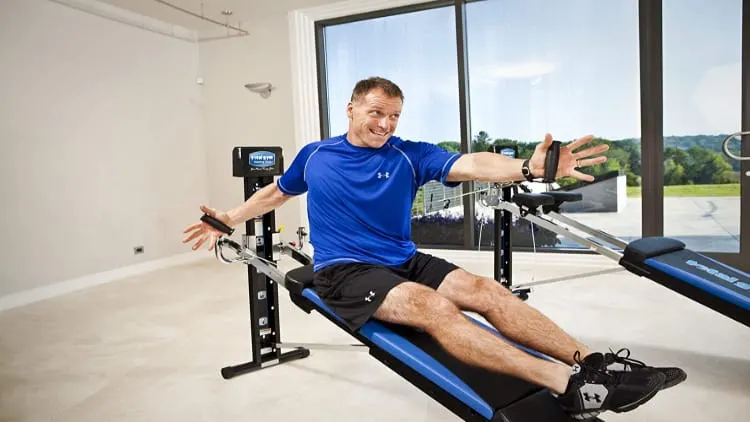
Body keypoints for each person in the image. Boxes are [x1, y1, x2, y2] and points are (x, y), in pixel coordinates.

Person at [183, 77, 686, 420]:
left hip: (404, 259)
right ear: (352, 108)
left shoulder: (408, 154)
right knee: (435, 307)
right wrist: (229, 217)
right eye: (376, 112)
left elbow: (474, 163)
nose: (384, 124)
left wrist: (531, 170)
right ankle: (569, 385)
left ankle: (595, 363)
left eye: (394, 116)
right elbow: (277, 192)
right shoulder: (315, 155)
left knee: (488, 291)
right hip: (345, 271)